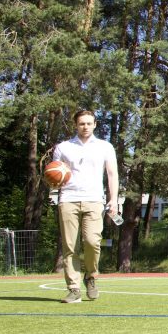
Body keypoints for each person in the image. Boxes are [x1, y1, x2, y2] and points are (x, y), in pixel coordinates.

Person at [52, 109, 119, 304]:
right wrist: (53, 186)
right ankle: (73, 289)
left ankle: (91, 276)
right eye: (82, 123)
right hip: (68, 199)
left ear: (95, 124)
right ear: (76, 125)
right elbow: (55, 174)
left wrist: (113, 199)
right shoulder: (63, 147)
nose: (85, 127)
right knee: (70, 246)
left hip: (94, 200)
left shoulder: (105, 147)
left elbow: (112, 174)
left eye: (89, 123)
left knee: (92, 241)